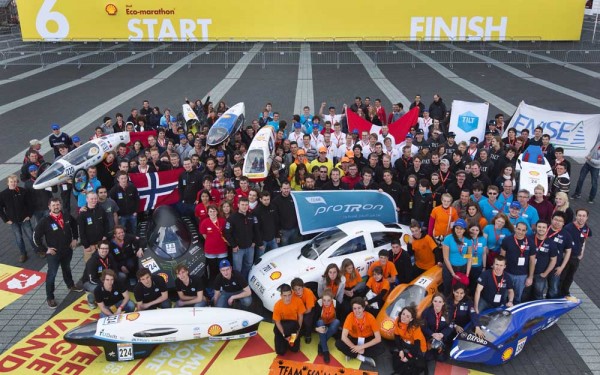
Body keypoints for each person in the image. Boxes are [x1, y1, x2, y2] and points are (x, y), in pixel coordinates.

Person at [33, 198, 82, 308]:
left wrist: (75, 238)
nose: (56, 207)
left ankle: (70, 285)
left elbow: (74, 226)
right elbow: (35, 237)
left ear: (61, 205)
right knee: (52, 275)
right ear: (49, 207)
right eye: (53, 205)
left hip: (67, 250)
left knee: (67, 268)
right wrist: (45, 249)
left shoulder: (66, 216)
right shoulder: (45, 221)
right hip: (53, 254)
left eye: (58, 204)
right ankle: (50, 297)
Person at [335, 297, 384, 368]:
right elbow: (344, 337)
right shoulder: (350, 316)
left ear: (363, 308)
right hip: (354, 339)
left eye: (359, 308)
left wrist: (361, 347)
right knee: (338, 343)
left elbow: (378, 338)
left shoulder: (370, 317)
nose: (357, 311)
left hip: (366, 339)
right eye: (354, 308)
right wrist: (355, 347)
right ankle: (361, 358)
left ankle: (351, 353)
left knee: (381, 348)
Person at [0, 174, 39, 262]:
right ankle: (23, 254)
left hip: (25, 219)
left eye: (15, 182)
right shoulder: (3, 195)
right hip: (13, 221)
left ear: (17, 182)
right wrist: (6, 220)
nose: (13, 183)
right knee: (18, 238)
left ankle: (37, 250)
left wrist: (29, 215)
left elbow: (30, 204)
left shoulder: (23, 191)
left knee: (30, 236)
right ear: (7, 183)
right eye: (11, 182)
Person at [224, 197, 262, 279]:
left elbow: (256, 230)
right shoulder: (232, 218)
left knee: (249, 265)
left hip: (250, 247)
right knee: (237, 268)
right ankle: (237, 283)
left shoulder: (251, 216)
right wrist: (233, 245)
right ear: (238, 205)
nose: (244, 207)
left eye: (246, 205)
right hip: (238, 249)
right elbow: (227, 233)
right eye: (242, 205)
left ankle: (245, 281)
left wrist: (255, 241)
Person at [500, 222, 535, 304]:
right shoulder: (507, 240)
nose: (520, 232)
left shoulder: (530, 242)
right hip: (507, 273)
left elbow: (532, 261)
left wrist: (530, 277)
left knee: (517, 297)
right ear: (515, 228)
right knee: (503, 295)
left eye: (523, 230)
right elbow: (502, 257)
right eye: (519, 229)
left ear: (526, 231)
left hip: (522, 275)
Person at [562, 209, 591, 297]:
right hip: (566, 257)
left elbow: (584, 240)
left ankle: (565, 293)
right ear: (576, 216)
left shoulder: (586, 228)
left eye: (583, 216)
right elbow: (563, 242)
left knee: (570, 277)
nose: (581, 218)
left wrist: (582, 252)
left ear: (587, 218)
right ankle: (557, 294)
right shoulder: (568, 228)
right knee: (562, 277)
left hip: (576, 258)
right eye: (579, 215)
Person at [392, 306, 427, 375]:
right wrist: (400, 350)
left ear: (411, 319)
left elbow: (416, 347)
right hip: (406, 343)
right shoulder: (398, 321)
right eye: (403, 314)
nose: (404, 317)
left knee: (413, 365)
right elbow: (396, 336)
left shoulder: (415, 328)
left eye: (407, 316)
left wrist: (408, 357)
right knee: (397, 361)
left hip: (418, 348)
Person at [546, 211, 574, 298]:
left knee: (553, 289)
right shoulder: (544, 229)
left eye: (560, 221)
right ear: (551, 219)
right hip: (540, 265)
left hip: (555, 267)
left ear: (563, 223)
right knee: (538, 288)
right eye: (555, 219)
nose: (557, 222)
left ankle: (550, 305)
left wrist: (561, 267)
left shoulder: (566, 235)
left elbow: (568, 252)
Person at [272, 283, 306, 356]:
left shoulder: (298, 301)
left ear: (292, 293)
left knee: (295, 349)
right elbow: (277, 322)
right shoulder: (277, 305)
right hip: (282, 327)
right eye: (285, 295)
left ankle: (291, 341)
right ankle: (284, 341)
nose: (287, 298)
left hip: (293, 327)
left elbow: (300, 317)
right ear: (281, 296)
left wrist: (297, 332)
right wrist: (284, 335)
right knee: (280, 352)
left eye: (289, 295)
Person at [441, 219, 471, 296]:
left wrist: (467, 272)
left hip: (463, 267)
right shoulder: (448, 238)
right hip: (449, 267)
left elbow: (469, 257)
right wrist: (452, 273)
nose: (458, 230)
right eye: (457, 228)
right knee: (448, 288)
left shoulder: (468, 240)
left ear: (464, 230)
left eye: (461, 228)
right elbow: (446, 258)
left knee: (460, 289)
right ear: (454, 228)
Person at [77, 192, 109, 264]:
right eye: (91, 199)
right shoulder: (83, 213)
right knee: (90, 264)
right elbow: (81, 231)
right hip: (90, 246)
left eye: (95, 198)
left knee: (103, 263)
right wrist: (86, 246)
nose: (94, 200)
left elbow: (106, 223)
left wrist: (105, 235)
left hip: (101, 243)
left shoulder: (101, 210)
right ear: (87, 199)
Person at [199, 205, 228, 283]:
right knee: (213, 269)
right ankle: (214, 284)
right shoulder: (204, 222)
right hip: (210, 250)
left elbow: (226, 233)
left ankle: (223, 282)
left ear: (217, 212)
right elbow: (204, 235)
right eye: (210, 211)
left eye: (214, 211)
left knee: (223, 268)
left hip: (222, 249)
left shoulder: (222, 221)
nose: (212, 213)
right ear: (208, 213)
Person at [421, 293, 453, 361]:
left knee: (441, 359)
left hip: (442, 337)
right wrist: (432, 334)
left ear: (443, 303)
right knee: (428, 358)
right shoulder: (426, 312)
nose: (437, 304)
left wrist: (442, 334)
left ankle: (441, 350)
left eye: (440, 302)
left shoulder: (448, 312)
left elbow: (451, 326)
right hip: (430, 337)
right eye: (435, 301)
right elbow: (423, 326)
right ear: (432, 302)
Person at [531, 221, 558, 300]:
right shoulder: (529, 239)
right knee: (525, 293)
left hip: (540, 274)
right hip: (527, 272)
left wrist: (545, 273)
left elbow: (553, 260)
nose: (541, 229)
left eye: (543, 227)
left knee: (538, 294)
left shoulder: (551, 243)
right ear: (536, 227)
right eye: (539, 227)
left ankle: (538, 311)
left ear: (547, 229)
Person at [314, 289, 340, 364]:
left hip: (331, 324)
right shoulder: (319, 304)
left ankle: (320, 344)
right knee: (320, 322)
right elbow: (314, 318)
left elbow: (340, 316)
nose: (326, 303)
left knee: (337, 322)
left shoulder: (336, 304)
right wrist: (316, 328)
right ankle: (326, 351)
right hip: (321, 324)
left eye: (328, 300)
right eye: (324, 300)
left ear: (332, 299)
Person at [572, 139, 600, 204]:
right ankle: (577, 193)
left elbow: (598, 163)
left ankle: (591, 198)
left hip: (595, 167)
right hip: (587, 164)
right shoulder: (598, 142)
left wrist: (590, 159)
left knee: (594, 183)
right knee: (580, 179)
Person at [291, 278, 317, 344]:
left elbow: (309, 310)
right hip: (300, 307)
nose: (297, 292)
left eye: (299, 289)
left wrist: (300, 314)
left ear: (303, 287)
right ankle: (296, 334)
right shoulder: (293, 295)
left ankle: (308, 334)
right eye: (295, 290)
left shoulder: (308, 293)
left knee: (307, 320)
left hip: (311, 306)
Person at [466, 224, 486, 293]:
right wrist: (470, 257)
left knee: (475, 285)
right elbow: (462, 254)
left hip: (478, 266)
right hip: (466, 266)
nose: (475, 232)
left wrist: (484, 266)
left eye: (477, 230)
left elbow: (484, 254)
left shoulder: (482, 239)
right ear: (469, 230)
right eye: (473, 230)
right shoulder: (465, 239)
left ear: (479, 231)